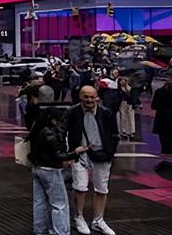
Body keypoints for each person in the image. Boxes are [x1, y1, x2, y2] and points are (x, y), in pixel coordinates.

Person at [66, 86, 119, 235]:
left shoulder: (106, 113)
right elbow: (64, 131)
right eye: (86, 96)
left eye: (92, 97)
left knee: (102, 188)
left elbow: (114, 134)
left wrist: (110, 152)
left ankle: (98, 220)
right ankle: (78, 217)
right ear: (80, 97)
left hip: (102, 154)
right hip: (80, 154)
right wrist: (70, 153)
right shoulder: (73, 112)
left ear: (97, 97)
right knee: (80, 187)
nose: (89, 100)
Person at [28, 107, 87, 235]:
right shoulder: (51, 133)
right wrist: (74, 153)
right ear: (53, 119)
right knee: (59, 203)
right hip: (50, 169)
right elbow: (59, 155)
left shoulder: (38, 129)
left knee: (39, 201)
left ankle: (40, 230)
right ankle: (61, 231)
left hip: (38, 167)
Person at [151, 72, 172, 171]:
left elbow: (153, 106)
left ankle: (164, 154)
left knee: (163, 136)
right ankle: (170, 152)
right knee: (171, 135)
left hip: (161, 116)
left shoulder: (159, 92)